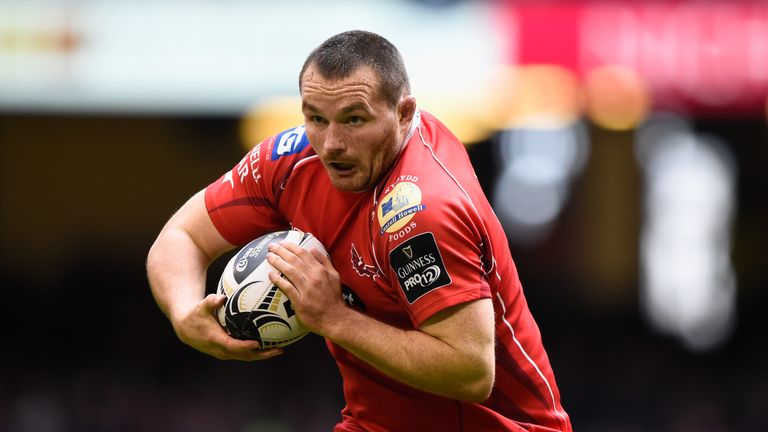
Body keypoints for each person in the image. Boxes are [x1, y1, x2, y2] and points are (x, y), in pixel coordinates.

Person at [147, 30, 572, 431]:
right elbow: (182, 237)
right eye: (316, 118)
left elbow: (471, 370)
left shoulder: (422, 212)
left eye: (354, 120)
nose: (331, 143)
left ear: (404, 113)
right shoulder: (291, 161)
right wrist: (185, 313)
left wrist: (333, 317)